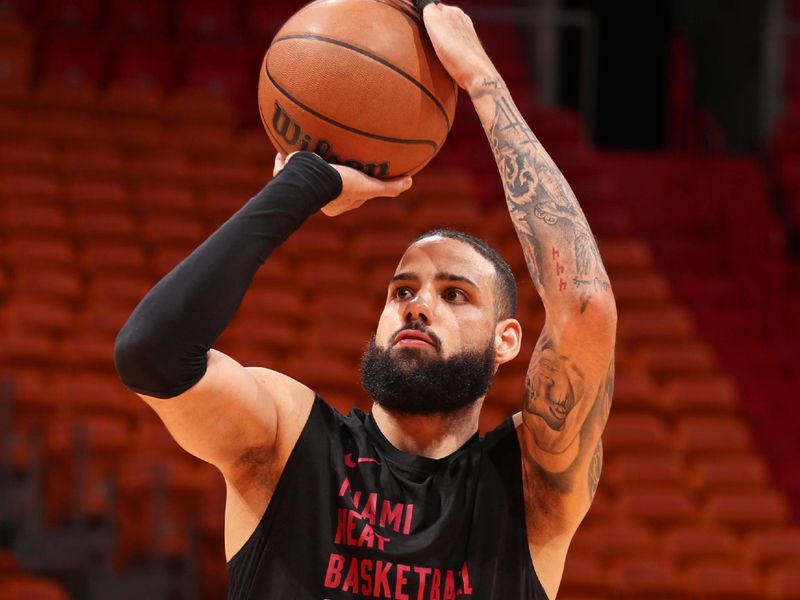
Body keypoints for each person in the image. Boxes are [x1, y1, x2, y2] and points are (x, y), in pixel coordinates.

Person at [114, 2, 616, 599]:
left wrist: (484, 80)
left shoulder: (525, 488)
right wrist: (303, 184)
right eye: (402, 290)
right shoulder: (290, 445)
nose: (418, 305)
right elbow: (151, 352)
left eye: (455, 294)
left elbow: (585, 304)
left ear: (508, 339)